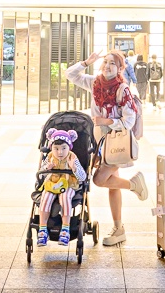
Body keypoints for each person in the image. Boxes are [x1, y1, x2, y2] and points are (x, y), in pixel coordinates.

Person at [66, 49, 148, 246]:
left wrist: (106, 120)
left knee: (99, 180)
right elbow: (70, 74)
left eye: (113, 63)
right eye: (106, 62)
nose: (107, 66)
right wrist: (87, 62)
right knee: (112, 183)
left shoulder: (123, 90)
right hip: (101, 142)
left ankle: (134, 185)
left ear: (120, 68)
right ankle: (119, 229)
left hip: (117, 143)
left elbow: (129, 121)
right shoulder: (95, 82)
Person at [37, 128, 87, 246]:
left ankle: (65, 229)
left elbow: (83, 177)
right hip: (52, 184)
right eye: (56, 149)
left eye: (64, 148)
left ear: (69, 147)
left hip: (69, 184)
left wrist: (73, 168)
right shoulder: (49, 157)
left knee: (65, 197)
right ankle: (43, 229)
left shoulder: (72, 157)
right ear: (51, 148)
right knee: (46, 197)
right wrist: (47, 168)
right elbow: (41, 173)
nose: (60, 152)